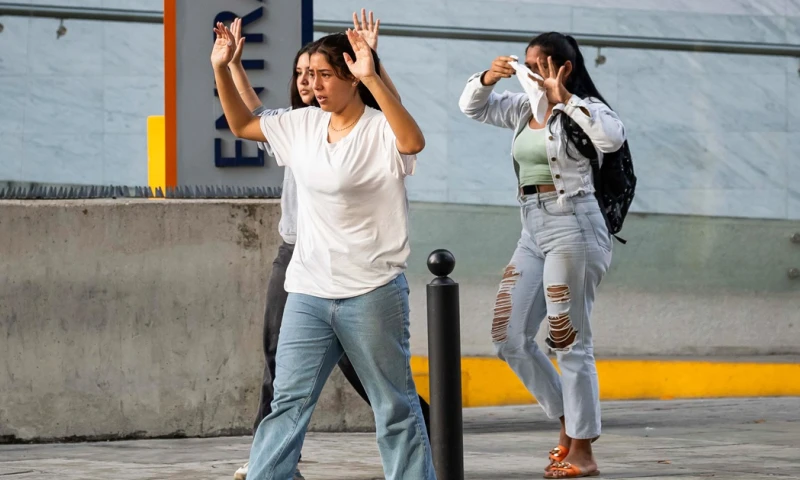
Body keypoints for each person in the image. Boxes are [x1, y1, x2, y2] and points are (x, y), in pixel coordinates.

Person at [211, 17, 435, 480]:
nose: (312, 85)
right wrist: (224, 67)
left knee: (393, 407)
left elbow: (413, 141)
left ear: (352, 76)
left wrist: (375, 73)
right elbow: (242, 123)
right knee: (287, 402)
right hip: (309, 291)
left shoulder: (378, 129)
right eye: (306, 75)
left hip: (372, 291)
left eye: (324, 75)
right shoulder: (303, 125)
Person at [459, 32, 626, 479]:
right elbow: (471, 108)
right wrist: (488, 78)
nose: (529, 71)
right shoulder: (522, 108)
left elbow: (610, 139)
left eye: (539, 64)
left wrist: (565, 98)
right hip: (531, 228)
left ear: (563, 68)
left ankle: (584, 452)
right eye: (526, 63)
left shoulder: (586, 109)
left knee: (569, 341)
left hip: (574, 226)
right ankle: (568, 425)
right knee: (507, 337)